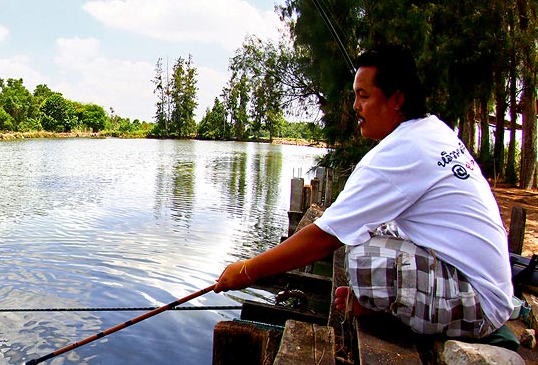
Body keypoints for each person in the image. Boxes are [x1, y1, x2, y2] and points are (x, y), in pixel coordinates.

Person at [214, 45, 513, 338]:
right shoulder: (433, 131)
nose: (356, 106)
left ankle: (385, 311)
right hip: (486, 288)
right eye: (355, 95)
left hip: (479, 305)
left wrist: (247, 271)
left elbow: (324, 238)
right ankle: (381, 307)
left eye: (364, 96)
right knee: (371, 231)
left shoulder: (401, 151)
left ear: (397, 99)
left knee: (360, 255)